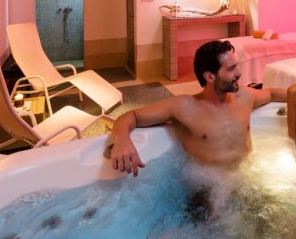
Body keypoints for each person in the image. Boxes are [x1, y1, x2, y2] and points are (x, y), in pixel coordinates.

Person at [110, 40, 286, 176]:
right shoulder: (184, 107)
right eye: (231, 69)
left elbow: (272, 93)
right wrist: (121, 140)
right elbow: (130, 117)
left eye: (237, 66)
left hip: (248, 176)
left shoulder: (244, 96)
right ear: (210, 77)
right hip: (210, 187)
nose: (239, 73)